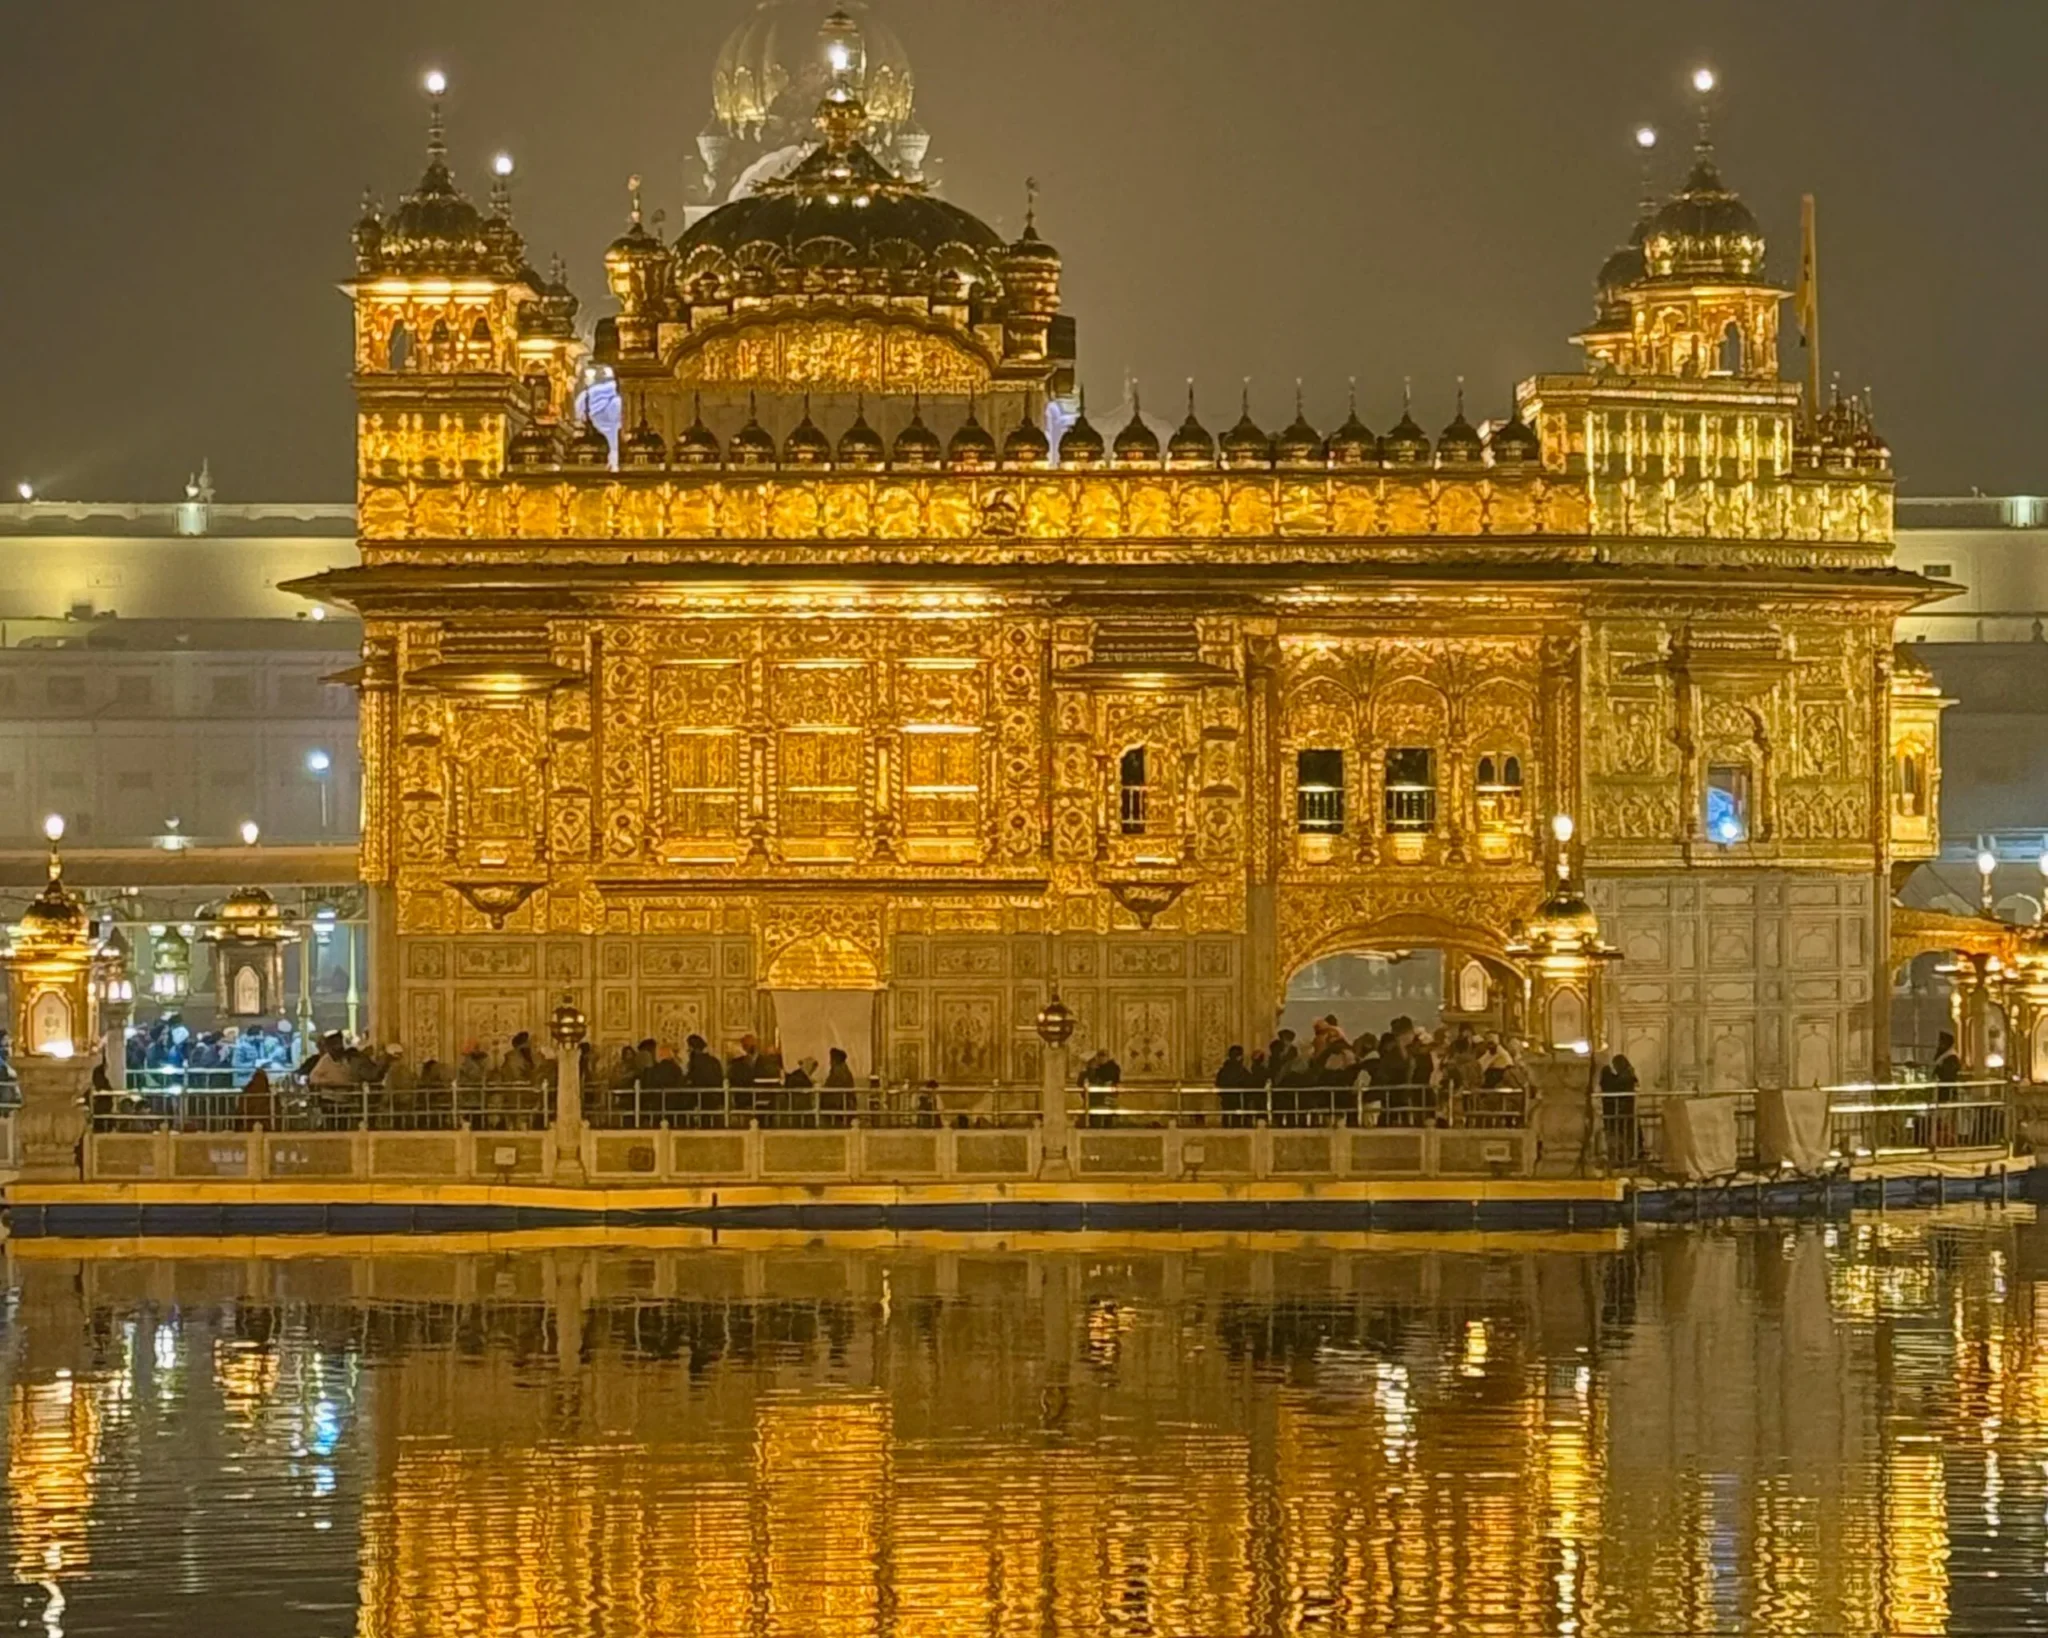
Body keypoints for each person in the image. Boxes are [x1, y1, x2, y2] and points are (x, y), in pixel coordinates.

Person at [1599, 1052, 1640, 1162]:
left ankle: (1623, 1158)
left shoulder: (1625, 1076)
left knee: (1622, 1136)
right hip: (1621, 1111)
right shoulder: (1627, 1074)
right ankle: (1623, 1157)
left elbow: (1613, 1085)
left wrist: (1605, 1071)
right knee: (1623, 1136)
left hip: (1620, 1111)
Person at [1215, 1045, 1256, 1127]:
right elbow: (1250, 1083)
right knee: (1238, 1124)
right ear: (1239, 1057)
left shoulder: (1223, 1070)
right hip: (1240, 1101)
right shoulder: (1241, 1070)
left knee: (1227, 1120)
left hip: (1226, 1101)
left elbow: (1218, 1085)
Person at [1079, 1048, 1122, 1126]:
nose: (1099, 1060)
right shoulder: (1088, 1073)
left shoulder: (1109, 1068)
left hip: (1105, 1101)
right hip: (1095, 1102)